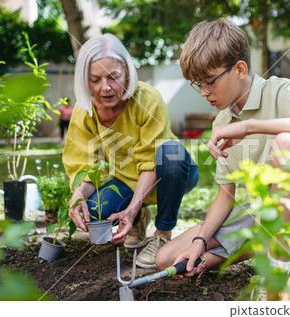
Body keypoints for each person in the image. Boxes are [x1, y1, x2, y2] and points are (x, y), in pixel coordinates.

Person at [156, 18, 290, 275]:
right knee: (167, 258)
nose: (203, 92)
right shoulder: (223, 122)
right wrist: (200, 242)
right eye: (198, 84)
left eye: (209, 81)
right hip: (264, 213)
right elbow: (226, 195)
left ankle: (280, 268)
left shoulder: (281, 91)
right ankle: (266, 246)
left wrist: (250, 126)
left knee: (288, 142)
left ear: (239, 69)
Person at [62, 33, 199, 268]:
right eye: (95, 79)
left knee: (171, 152)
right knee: (93, 212)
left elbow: (150, 162)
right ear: (84, 79)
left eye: (113, 77)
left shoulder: (147, 98)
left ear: (127, 71)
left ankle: (162, 234)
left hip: (170, 173)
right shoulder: (84, 111)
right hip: (125, 179)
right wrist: (77, 196)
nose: (105, 88)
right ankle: (137, 218)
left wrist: (130, 209)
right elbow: (83, 163)